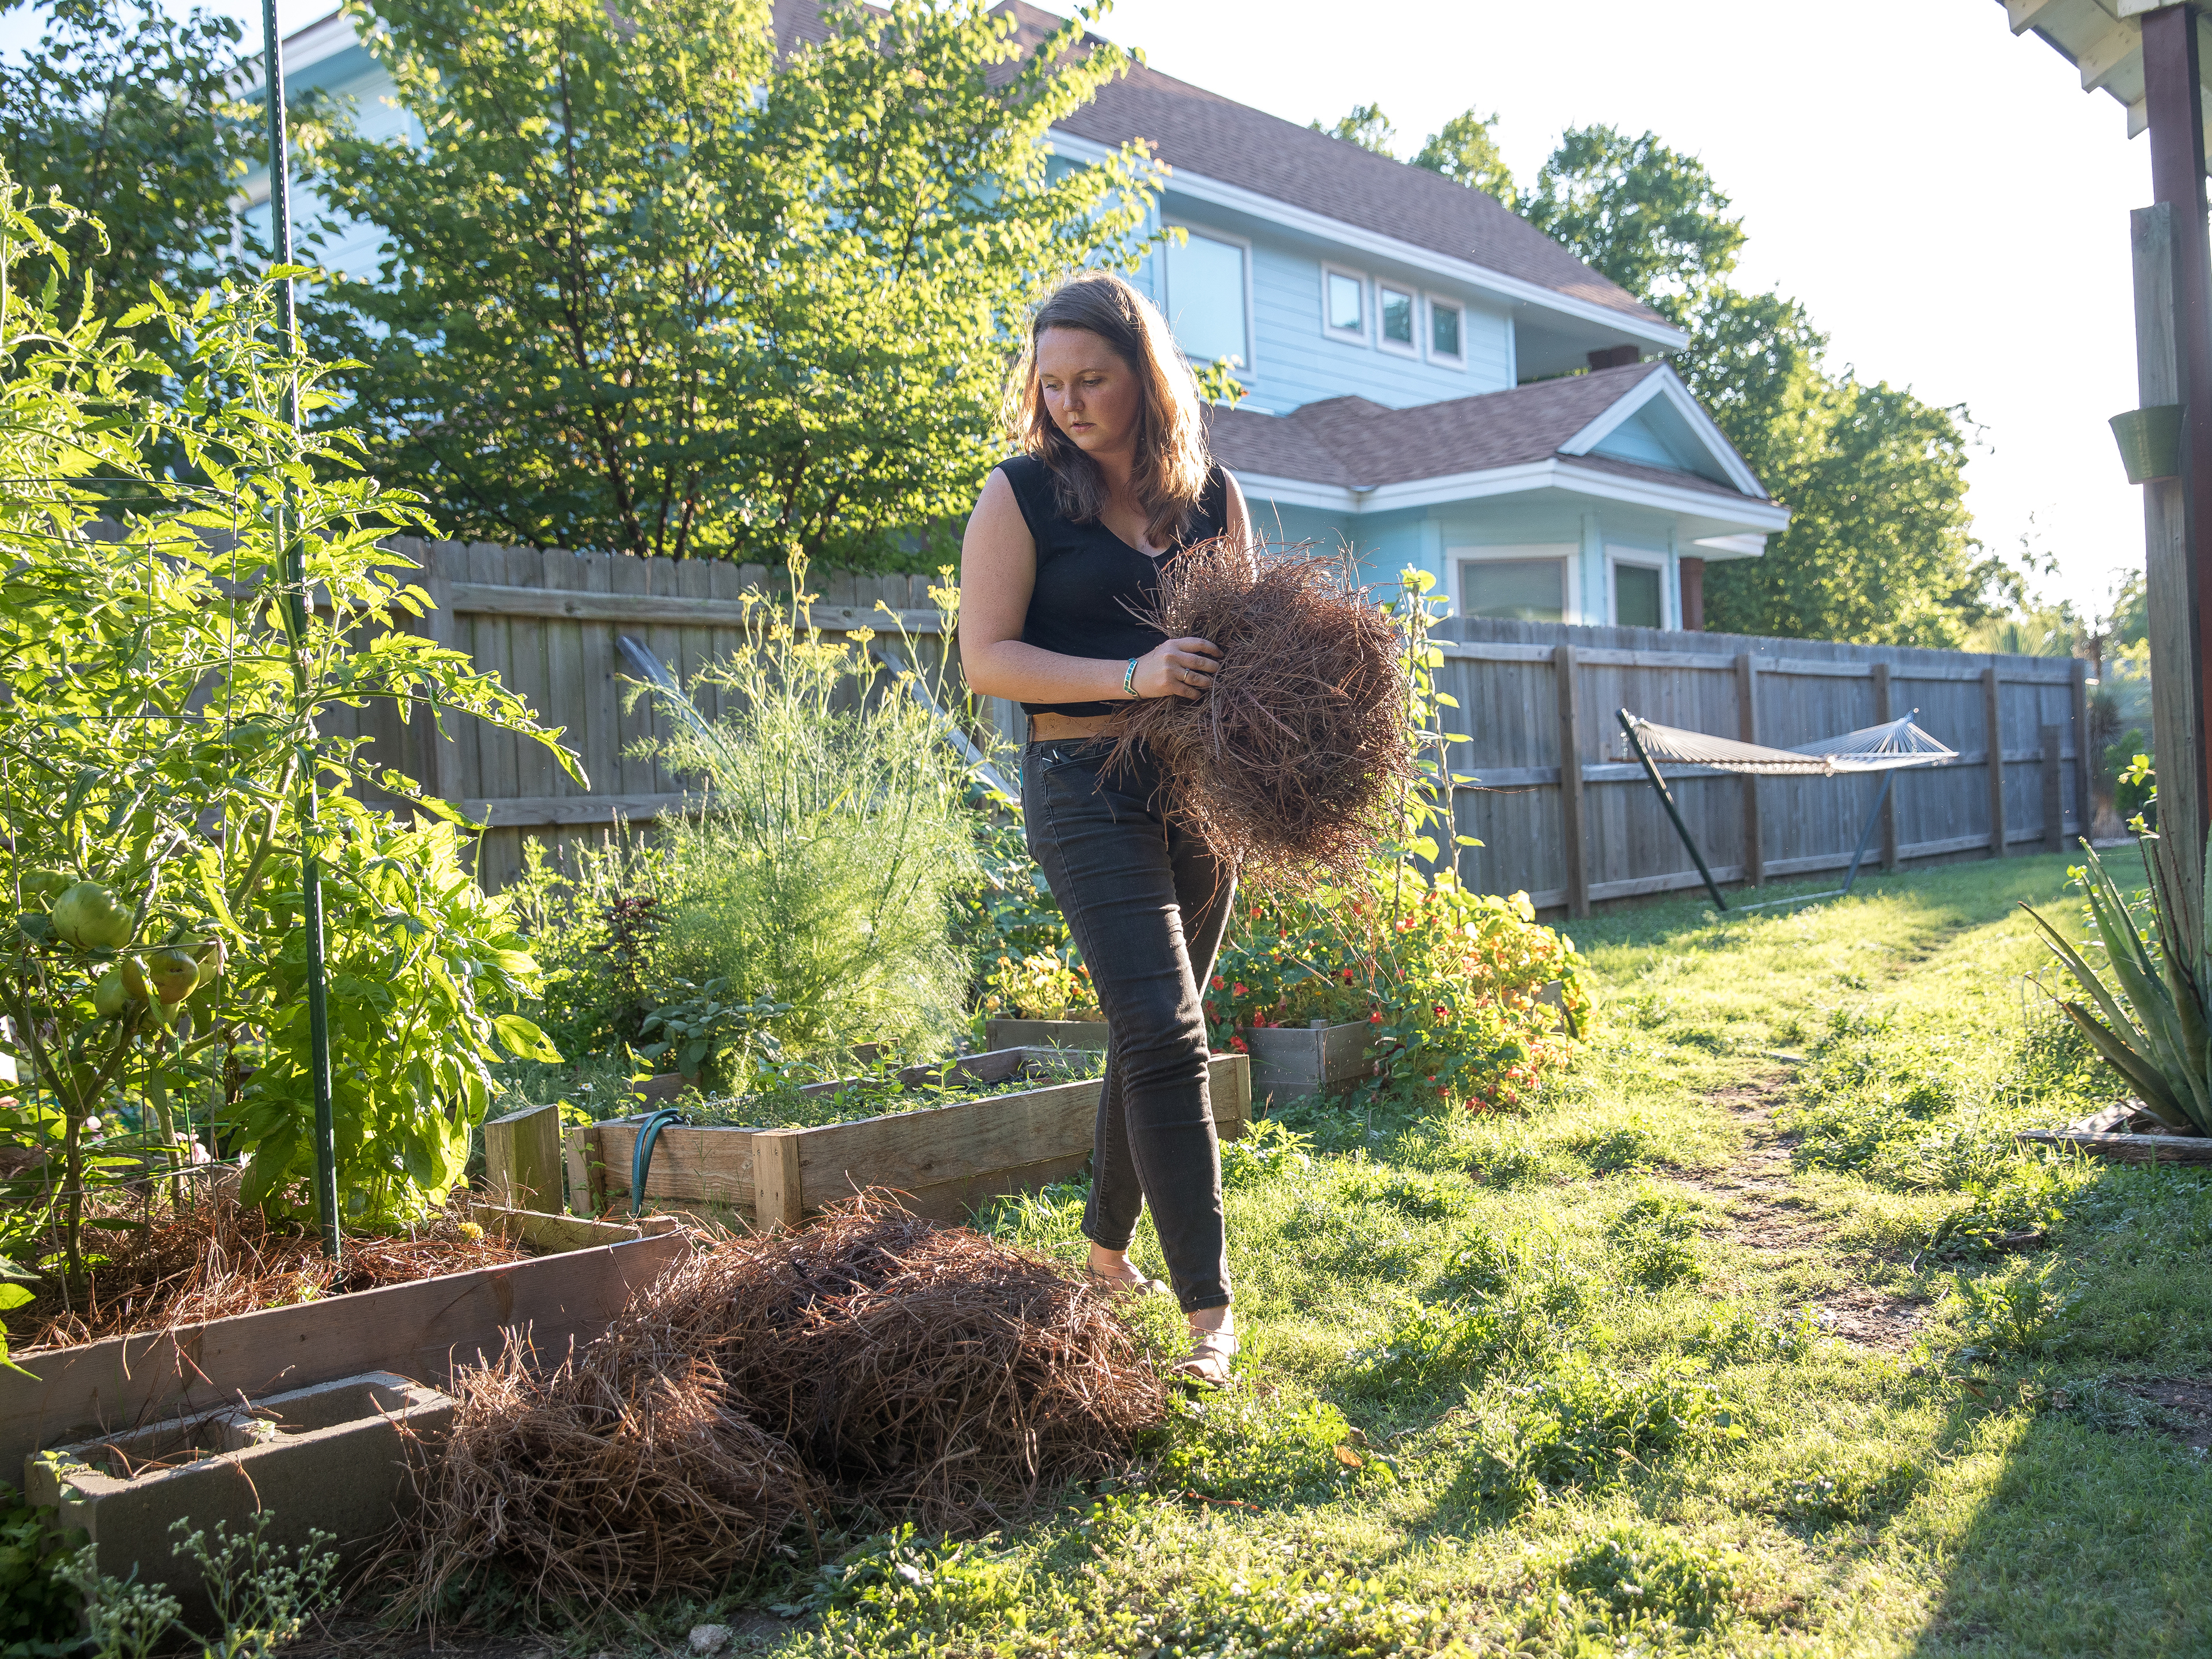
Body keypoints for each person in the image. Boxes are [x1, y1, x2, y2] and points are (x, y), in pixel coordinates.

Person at [958, 270, 1252, 1387]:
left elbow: (1247, 642)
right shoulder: (1023, 497)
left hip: (1200, 788)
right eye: (1052, 384)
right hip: (1082, 783)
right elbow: (988, 659)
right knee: (1169, 1033)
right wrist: (1136, 672)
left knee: (1153, 1029)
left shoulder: (1211, 498)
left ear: (1145, 375)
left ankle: (1098, 1256)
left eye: (1092, 379)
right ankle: (1209, 1321)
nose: (1070, 402)